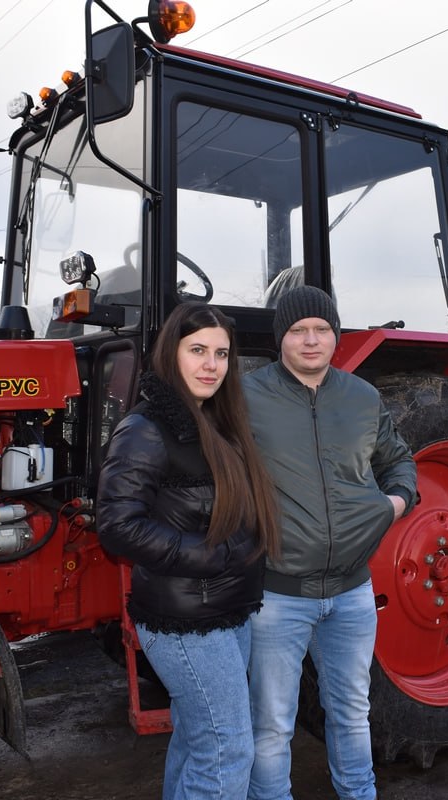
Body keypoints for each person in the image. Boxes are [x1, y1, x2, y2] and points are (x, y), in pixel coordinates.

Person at [96, 301, 279, 799]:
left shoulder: (217, 422)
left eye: (221, 354)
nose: (211, 365)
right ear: (170, 354)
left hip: (226, 609)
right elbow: (116, 524)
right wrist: (207, 557)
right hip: (187, 620)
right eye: (197, 350)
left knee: (201, 740)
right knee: (229, 750)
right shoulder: (146, 428)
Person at [243, 285, 417, 800]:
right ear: (281, 339)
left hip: (351, 594)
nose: (311, 340)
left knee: (351, 711)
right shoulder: (247, 397)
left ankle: (359, 794)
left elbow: (396, 459)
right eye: (298, 331)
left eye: (321, 329)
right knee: (272, 725)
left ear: (335, 336)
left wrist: (396, 503)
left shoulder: (362, 397)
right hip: (278, 596)